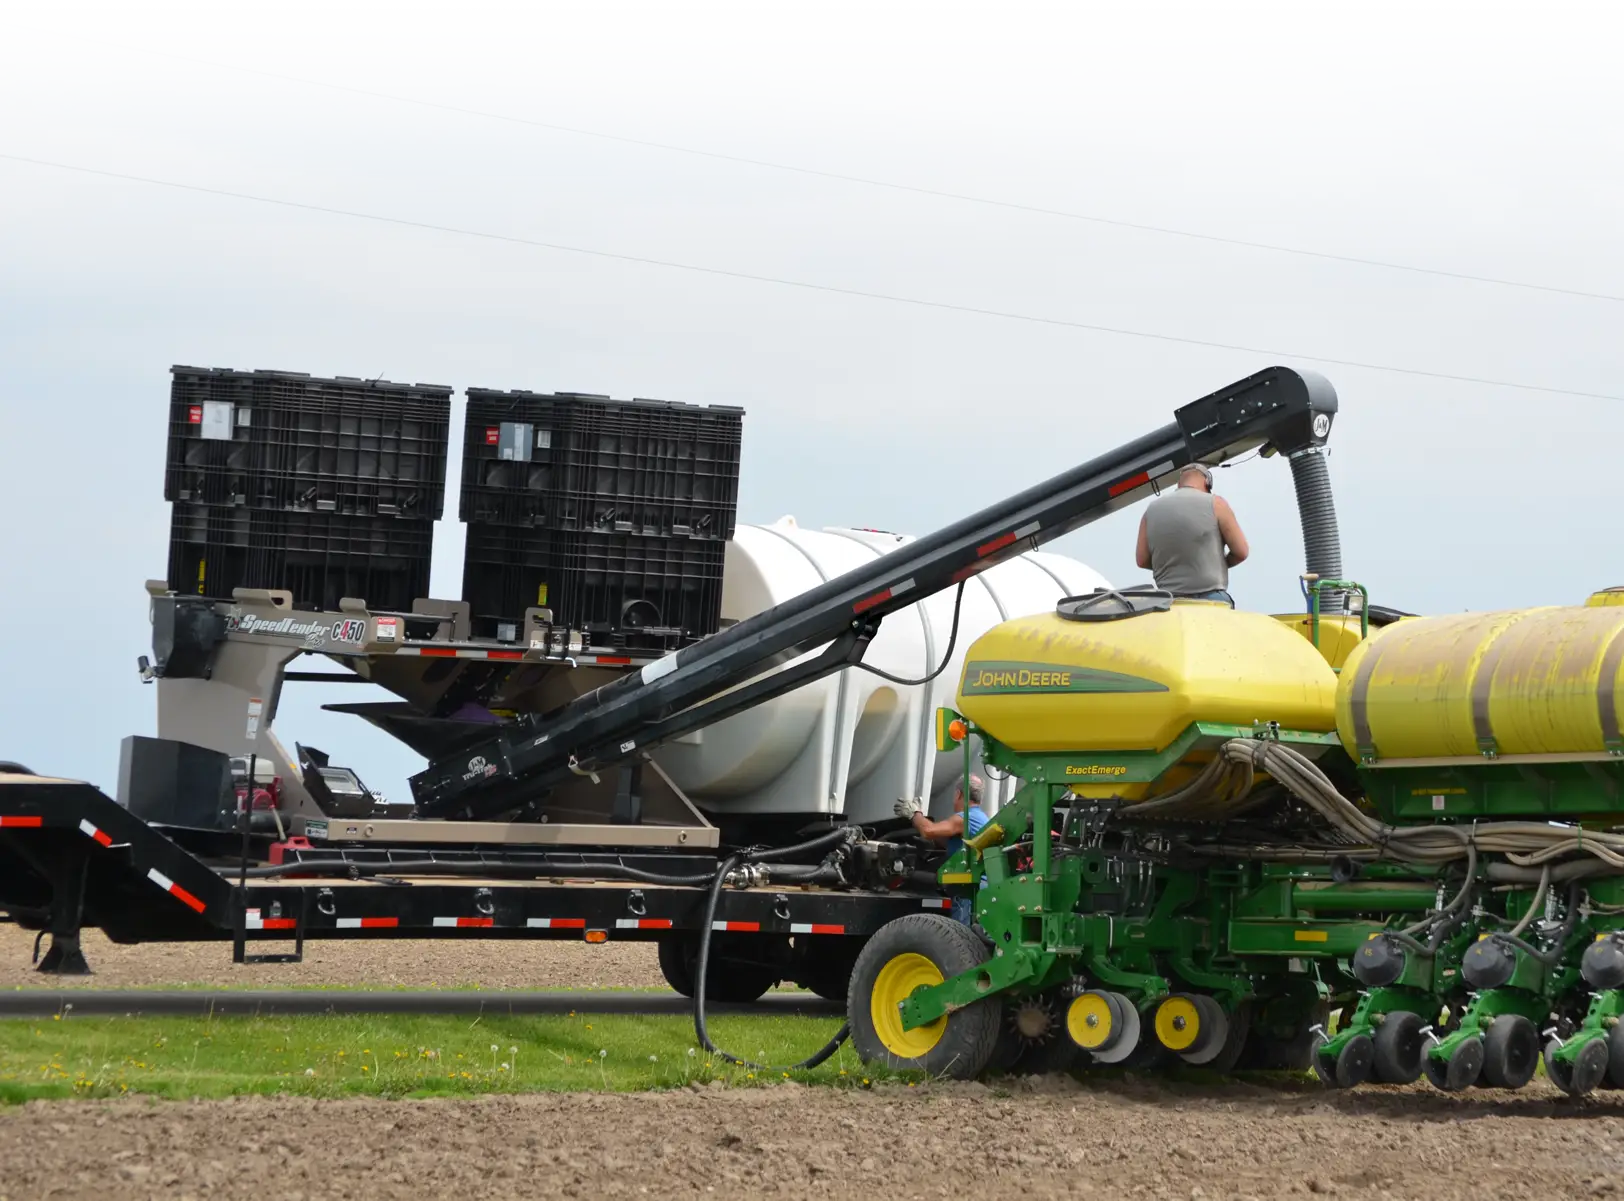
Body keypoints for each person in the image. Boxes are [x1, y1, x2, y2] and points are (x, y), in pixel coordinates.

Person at [1135, 462, 1249, 607]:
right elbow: (1241, 552)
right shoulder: (1216, 503)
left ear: (1179, 484)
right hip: (1211, 599)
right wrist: (1218, 563)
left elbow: (1141, 560)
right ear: (1206, 482)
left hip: (1168, 603)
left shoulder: (1151, 510)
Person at [894, 775, 989, 925]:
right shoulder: (981, 817)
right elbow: (954, 844)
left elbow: (928, 831)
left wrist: (914, 814)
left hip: (969, 894)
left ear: (958, 794)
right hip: (979, 891)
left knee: (962, 941)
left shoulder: (966, 818)